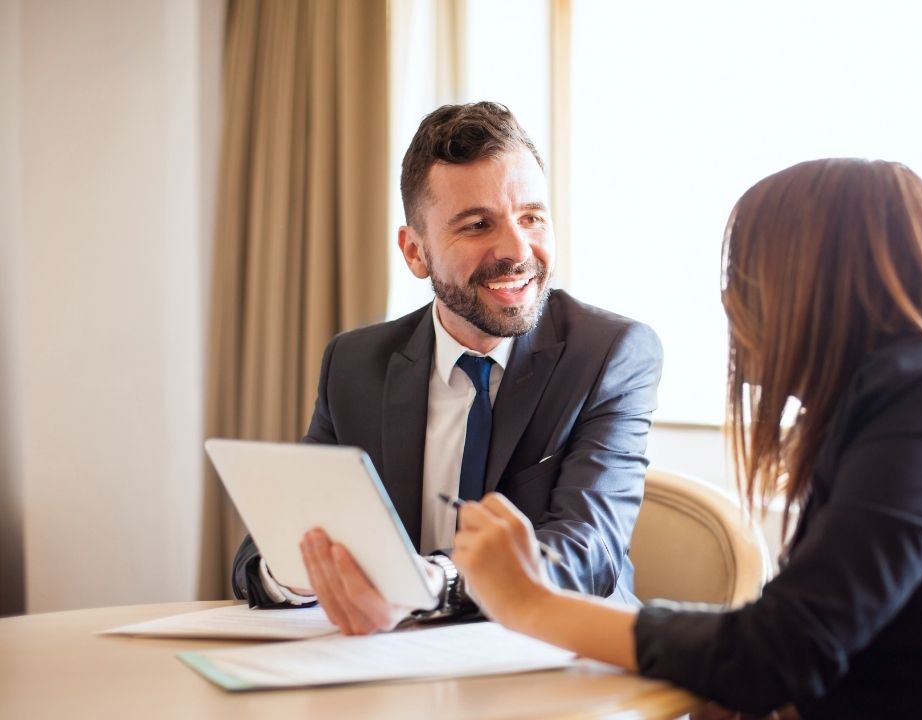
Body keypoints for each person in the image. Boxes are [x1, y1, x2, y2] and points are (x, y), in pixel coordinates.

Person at [451, 159, 922, 718]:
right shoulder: (886, 410)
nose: (729, 303)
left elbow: (777, 652)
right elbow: (820, 643)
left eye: (744, 275)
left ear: (816, 287)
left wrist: (533, 604)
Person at [230, 102, 663, 635]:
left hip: (560, 662)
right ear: (416, 252)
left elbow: (585, 552)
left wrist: (427, 584)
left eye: (531, 217)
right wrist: (306, 573)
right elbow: (269, 548)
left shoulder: (609, 354)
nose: (517, 249)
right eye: (478, 225)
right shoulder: (355, 364)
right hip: (399, 669)